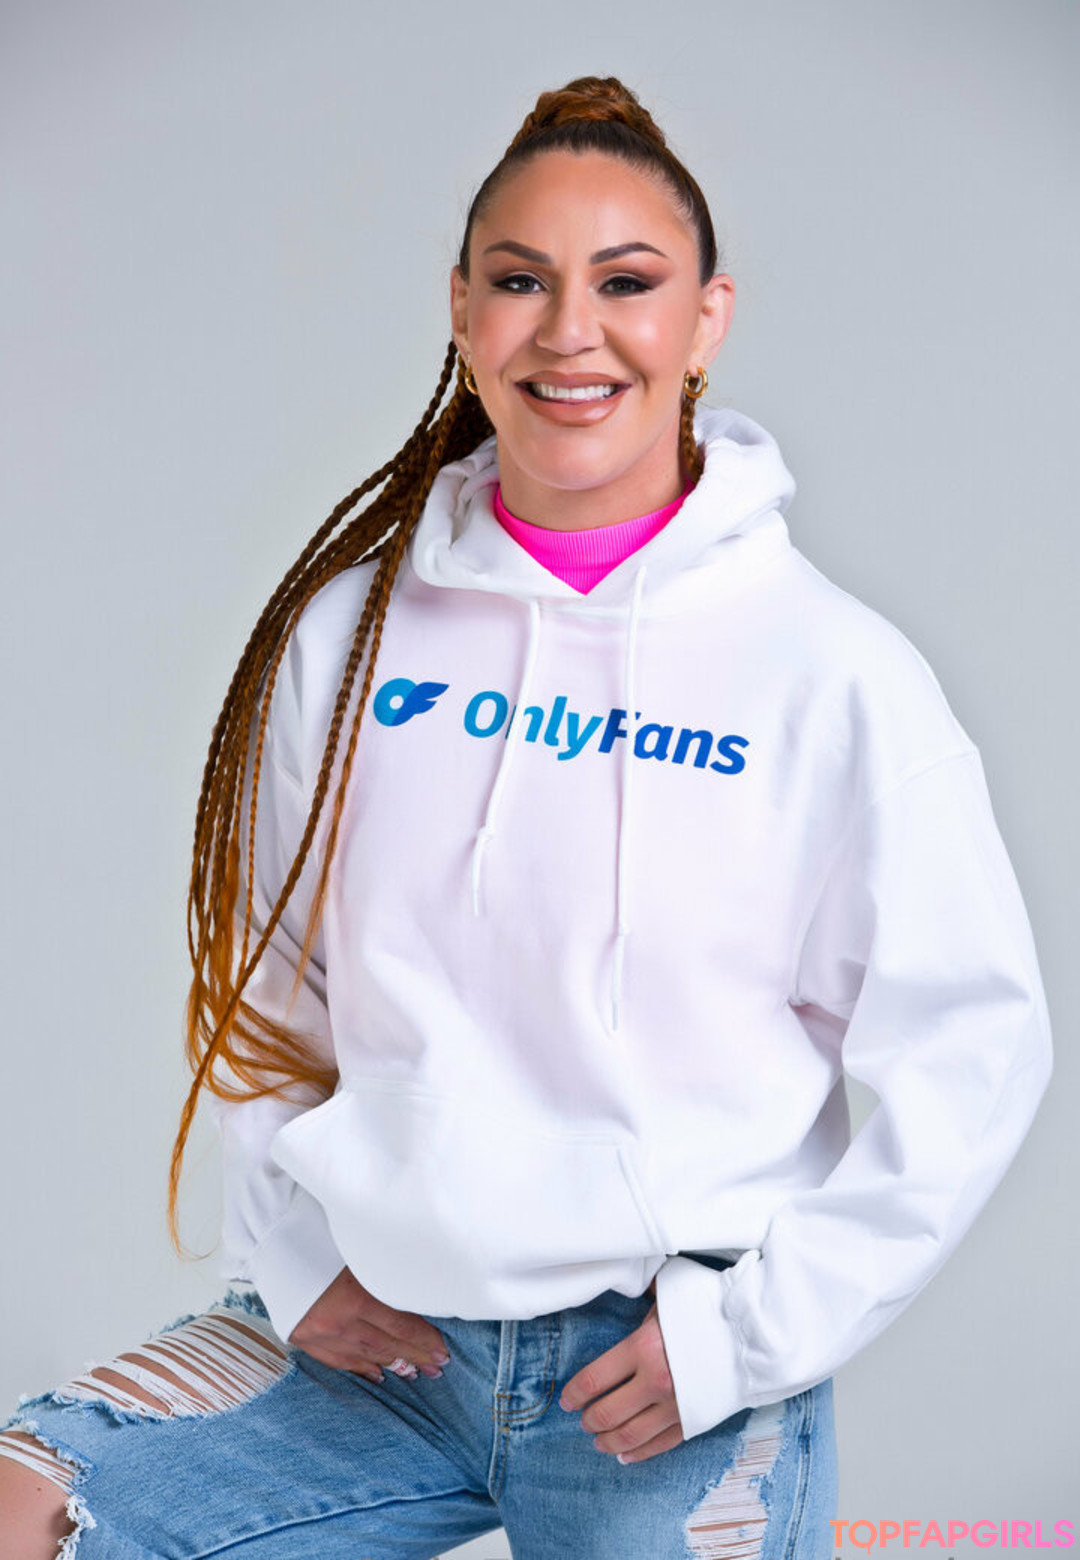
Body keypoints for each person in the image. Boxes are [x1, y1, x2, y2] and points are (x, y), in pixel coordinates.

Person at [0, 74, 1052, 1560]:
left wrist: (750, 1336)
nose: (569, 331)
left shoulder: (834, 676)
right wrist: (293, 1258)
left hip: (663, 1376)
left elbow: (975, 1050)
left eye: (627, 283)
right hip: (387, 1345)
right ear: (461, 311)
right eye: (519, 281)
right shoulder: (351, 638)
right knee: (32, 1507)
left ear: (707, 320)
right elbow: (268, 975)